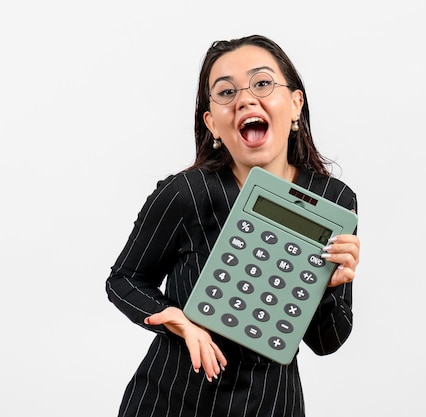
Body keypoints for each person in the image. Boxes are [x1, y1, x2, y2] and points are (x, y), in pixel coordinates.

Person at [105, 34, 360, 417]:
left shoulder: (334, 202)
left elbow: (327, 341)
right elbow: (123, 279)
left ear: (295, 105)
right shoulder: (186, 192)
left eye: (262, 83)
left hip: (270, 405)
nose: (244, 99)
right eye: (225, 92)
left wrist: (325, 284)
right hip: (171, 400)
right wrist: (172, 319)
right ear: (212, 124)